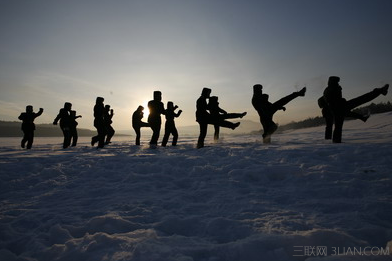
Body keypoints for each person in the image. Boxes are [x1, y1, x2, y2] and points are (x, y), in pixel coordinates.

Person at [321, 76, 389, 143]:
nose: (338, 83)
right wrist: (341, 102)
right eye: (337, 82)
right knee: (362, 99)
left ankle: (335, 141)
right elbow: (333, 102)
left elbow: (335, 101)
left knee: (338, 126)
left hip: (339, 108)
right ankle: (379, 91)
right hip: (339, 108)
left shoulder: (331, 89)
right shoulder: (332, 89)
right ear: (333, 82)